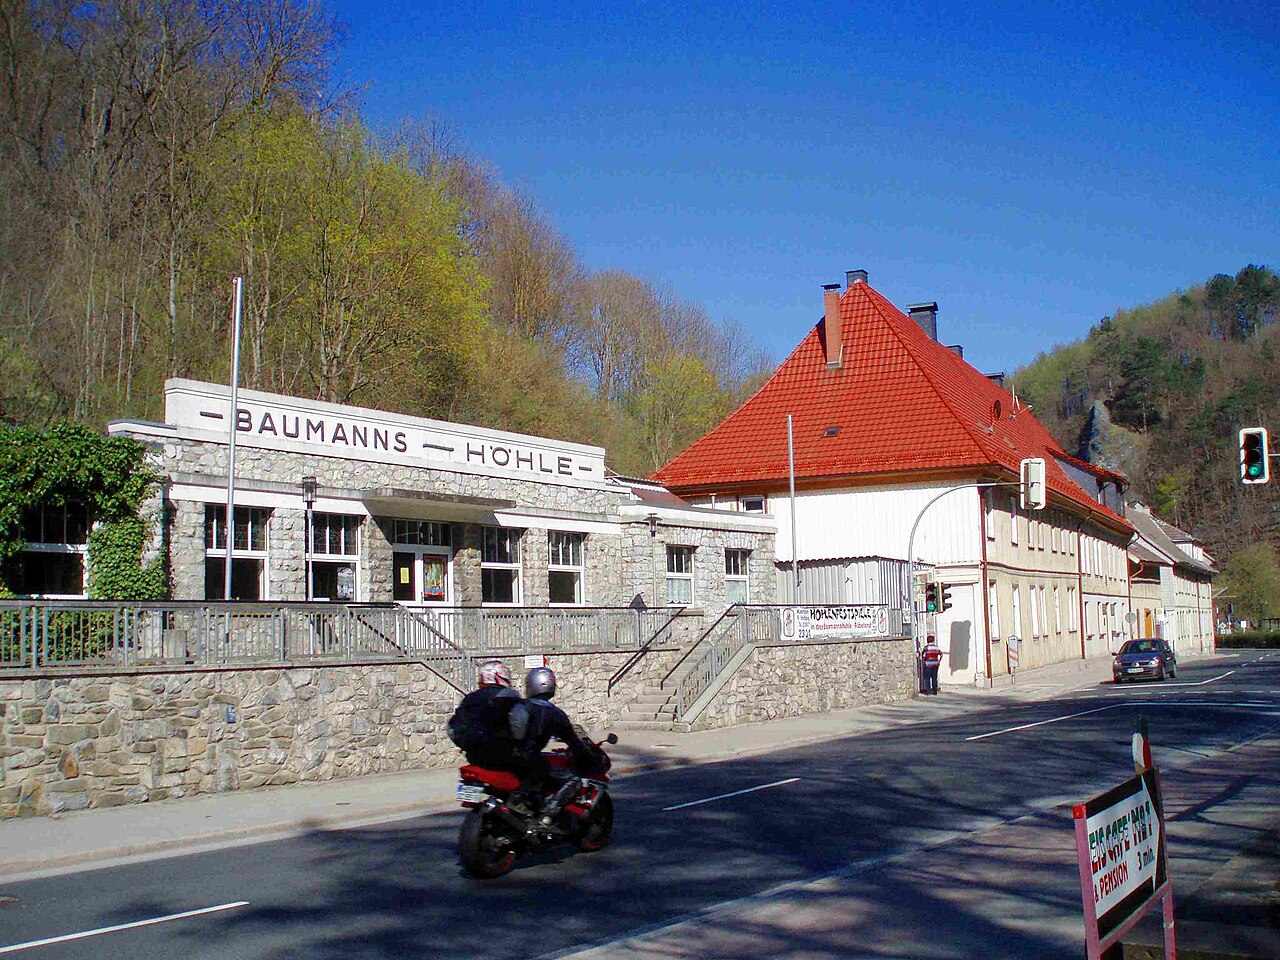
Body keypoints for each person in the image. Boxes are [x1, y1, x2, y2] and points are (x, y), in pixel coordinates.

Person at [509, 666, 597, 825]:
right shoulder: (554, 713)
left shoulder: (520, 705)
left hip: (506, 756)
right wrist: (585, 753)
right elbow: (573, 741)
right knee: (574, 780)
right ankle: (548, 815)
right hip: (528, 759)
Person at [446, 659, 524, 771]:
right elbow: (520, 724)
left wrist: (466, 745)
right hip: (505, 756)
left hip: (475, 758)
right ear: (500, 676)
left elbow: (452, 727)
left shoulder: (470, 698)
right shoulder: (510, 696)